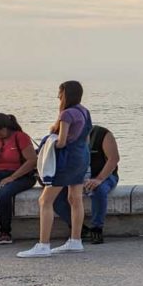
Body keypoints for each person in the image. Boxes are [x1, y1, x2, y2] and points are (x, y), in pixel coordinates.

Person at [17, 81, 92, 259]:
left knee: (45, 200)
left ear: (66, 94)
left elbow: (62, 142)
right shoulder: (84, 111)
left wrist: (50, 139)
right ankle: (76, 240)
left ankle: (43, 244)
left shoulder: (66, 114)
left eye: (60, 93)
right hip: (81, 158)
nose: (58, 96)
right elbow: (87, 140)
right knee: (75, 198)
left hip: (66, 161)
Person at [52, 123, 119, 245]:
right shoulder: (65, 137)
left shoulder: (102, 134)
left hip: (104, 175)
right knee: (55, 197)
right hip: (76, 178)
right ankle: (80, 229)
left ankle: (96, 228)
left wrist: (99, 179)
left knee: (99, 190)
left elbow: (113, 159)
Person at [0, 114, 37, 246]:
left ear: (4, 128)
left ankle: (5, 232)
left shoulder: (21, 137)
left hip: (22, 175)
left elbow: (32, 161)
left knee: (4, 194)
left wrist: (12, 178)